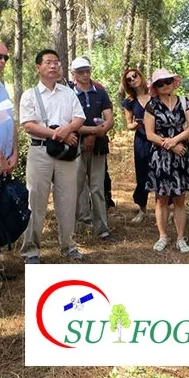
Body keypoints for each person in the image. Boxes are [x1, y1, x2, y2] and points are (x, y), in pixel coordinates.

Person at [20, 49, 86, 263]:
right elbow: (28, 125)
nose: (53, 66)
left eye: (56, 62)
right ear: (38, 67)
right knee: (36, 201)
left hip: (66, 155)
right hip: (40, 152)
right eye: (48, 62)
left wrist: (67, 131)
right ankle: (31, 250)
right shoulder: (30, 95)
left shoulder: (68, 93)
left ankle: (69, 246)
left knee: (67, 201)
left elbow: (79, 118)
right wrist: (60, 134)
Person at [144, 68, 189, 254]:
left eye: (167, 81)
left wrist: (176, 140)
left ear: (173, 82)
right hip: (161, 157)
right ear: (155, 88)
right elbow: (150, 134)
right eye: (160, 83)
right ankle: (163, 236)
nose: (165, 85)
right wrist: (171, 145)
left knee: (180, 198)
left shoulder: (183, 102)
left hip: (181, 156)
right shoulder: (152, 106)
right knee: (162, 199)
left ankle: (181, 238)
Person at [72, 56, 117, 243]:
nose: (85, 74)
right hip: (75, 146)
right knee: (76, 187)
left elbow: (110, 119)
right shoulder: (69, 93)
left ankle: (102, 229)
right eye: (80, 71)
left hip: (98, 146)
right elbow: (69, 122)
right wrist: (91, 131)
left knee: (97, 188)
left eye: (87, 70)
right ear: (73, 74)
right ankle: (75, 227)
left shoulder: (100, 92)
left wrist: (94, 134)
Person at [0, 42, 19, 292]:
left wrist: (14, 153)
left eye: (6, 57)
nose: (2, 61)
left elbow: (9, 122)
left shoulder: (1, 87)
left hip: (3, 160)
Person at [121, 68, 152, 223]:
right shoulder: (129, 102)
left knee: (163, 172)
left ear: (140, 76)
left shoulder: (155, 94)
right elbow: (128, 124)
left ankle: (170, 209)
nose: (133, 79)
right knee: (142, 174)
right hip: (141, 140)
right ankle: (142, 210)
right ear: (128, 84)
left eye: (135, 76)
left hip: (158, 139)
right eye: (129, 79)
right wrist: (136, 125)